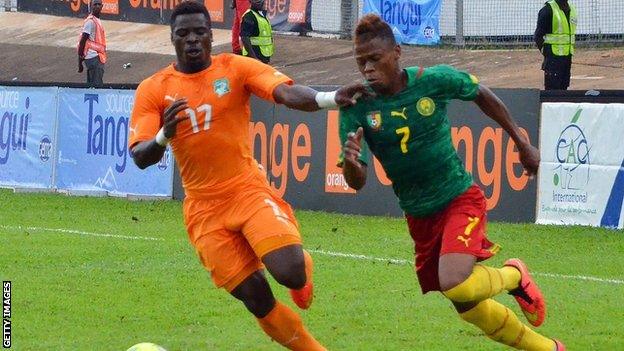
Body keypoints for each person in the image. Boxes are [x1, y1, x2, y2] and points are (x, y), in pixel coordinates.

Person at [128, 2, 366, 350]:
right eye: (183, 34)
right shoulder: (154, 89)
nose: (192, 40)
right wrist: (164, 135)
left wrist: (329, 98)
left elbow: (285, 92)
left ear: (212, 36)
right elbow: (139, 156)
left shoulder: (235, 68)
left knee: (291, 272)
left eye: (200, 32)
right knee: (257, 298)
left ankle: (302, 273)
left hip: (247, 191)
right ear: (172, 39)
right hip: (204, 211)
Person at [339, 14, 566, 351]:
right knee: (469, 308)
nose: (368, 69)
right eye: (361, 62)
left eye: (375, 59)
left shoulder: (433, 81)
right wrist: (353, 163)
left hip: (459, 198)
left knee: (455, 284)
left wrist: (521, 142)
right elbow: (356, 182)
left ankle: (515, 275)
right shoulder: (356, 106)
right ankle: (551, 349)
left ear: (397, 52)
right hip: (419, 216)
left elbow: (481, 93)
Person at [534, 0, 577, 90]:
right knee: (552, 90)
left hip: (567, 58)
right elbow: (538, 36)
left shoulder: (572, 9)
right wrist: (547, 53)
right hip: (553, 59)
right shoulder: (548, 10)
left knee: (564, 88)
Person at [77, 0, 107, 86]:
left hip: (95, 57)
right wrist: (80, 62)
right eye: (95, 4)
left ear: (102, 6)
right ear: (91, 6)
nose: (97, 6)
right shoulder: (90, 22)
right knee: (97, 85)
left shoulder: (96, 20)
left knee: (91, 85)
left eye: (99, 4)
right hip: (94, 57)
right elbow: (82, 41)